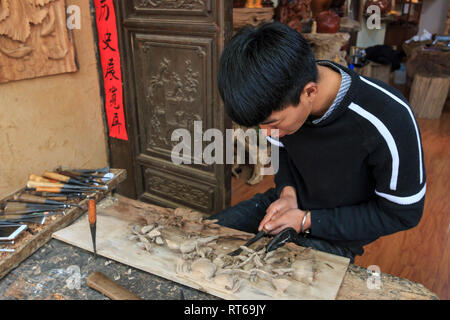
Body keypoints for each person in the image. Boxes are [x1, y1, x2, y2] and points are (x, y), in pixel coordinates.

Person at [208, 22, 426, 263]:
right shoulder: (284, 99)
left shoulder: (389, 117)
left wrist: (306, 220)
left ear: (310, 92)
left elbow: (403, 213)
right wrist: (288, 193)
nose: (268, 135)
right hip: (288, 203)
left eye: (273, 123)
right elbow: (283, 155)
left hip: (336, 228)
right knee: (201, 237)